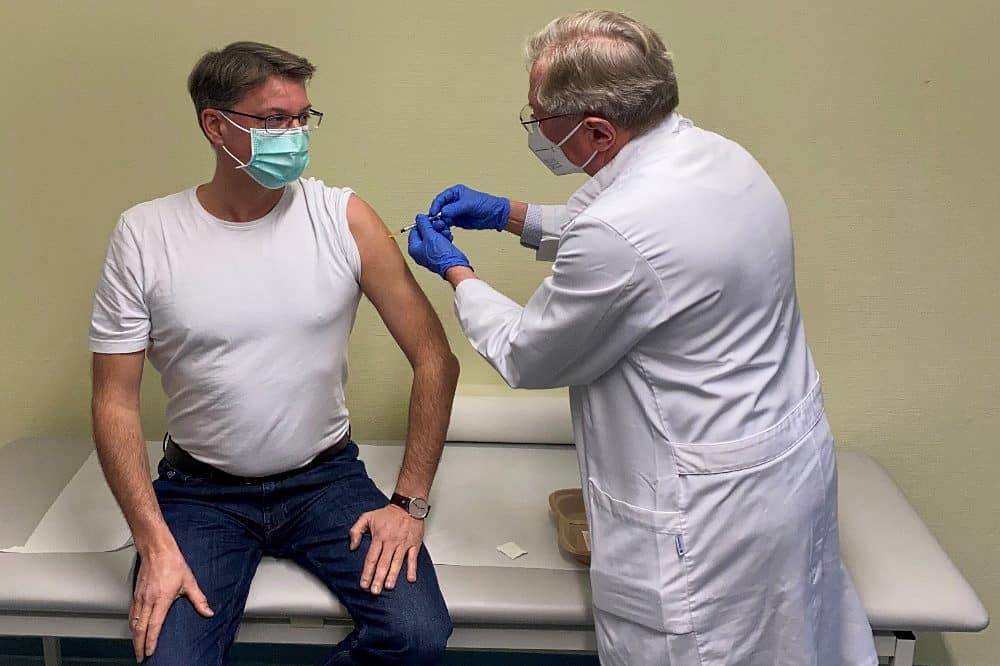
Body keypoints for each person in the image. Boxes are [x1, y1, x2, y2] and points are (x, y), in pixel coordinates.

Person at [407, 10, 878, 666]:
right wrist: (510, 215)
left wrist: (456, 273)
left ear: (597, 129)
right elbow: (640, 246)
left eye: (538, 113)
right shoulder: (719, 158)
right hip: (779, 472)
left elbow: (529, 351)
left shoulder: (621, 229)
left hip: (703, 522)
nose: (534, 125)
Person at [89, 41, 456, 665]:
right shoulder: (145, 235)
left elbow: (434, 357)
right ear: (215, 124)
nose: (294, 134)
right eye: (273, 119)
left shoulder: (343, 217)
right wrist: (154, 542)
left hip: (325, 480)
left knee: (416, 637)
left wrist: (409, 503)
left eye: (302, 118)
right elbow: (114, 402)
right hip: (201, 495)